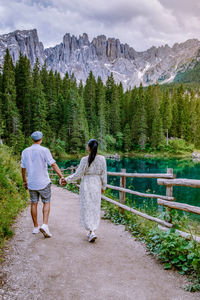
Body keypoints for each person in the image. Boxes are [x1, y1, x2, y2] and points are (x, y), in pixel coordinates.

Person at [21, 131, 65, 238]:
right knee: (46, 202)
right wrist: (61, 176)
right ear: (41, 139)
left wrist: (24, 181)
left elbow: (23, 168)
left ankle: (36, 227)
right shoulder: (44, 150)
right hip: (44, 182)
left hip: (32, 182)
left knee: (34, 203)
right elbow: (53, 164)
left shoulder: (25, 151)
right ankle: (44, 225)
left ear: (32, 139)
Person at [62, 139, 107, 242]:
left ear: (89, 148)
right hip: (96, 184)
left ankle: (91, 231)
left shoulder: (84, 160)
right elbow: (104, 175)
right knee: (95, 207)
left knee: (87, 206)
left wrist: (67, 180)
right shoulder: (102, 159)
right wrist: (103, 187)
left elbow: (78, 174)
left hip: (86, 184)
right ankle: (92, 230)